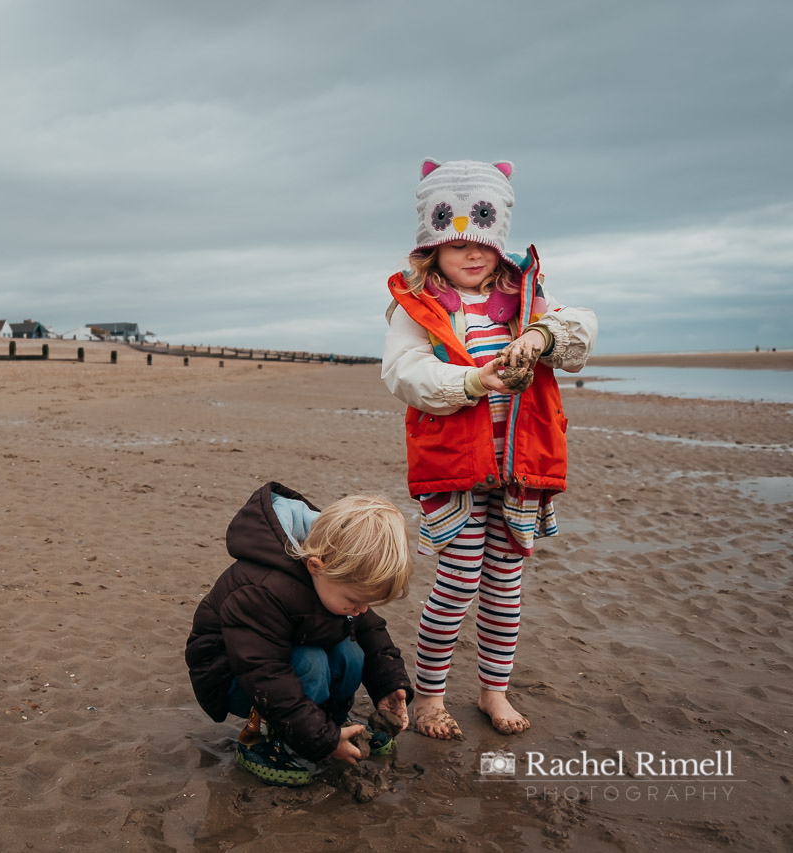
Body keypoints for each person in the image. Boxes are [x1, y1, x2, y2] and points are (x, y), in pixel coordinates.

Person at [381, 159, 597, 740]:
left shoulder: (527, 299)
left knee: (505, 584)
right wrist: (475, 383)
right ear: (432, 248)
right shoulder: (419, 305)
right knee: (457, 581)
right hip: (456, 469)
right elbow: (404, 374)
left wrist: (538, 335)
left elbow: (581, 331)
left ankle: (493, 691)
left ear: (500, 243)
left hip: (520, 468)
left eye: (483, 242)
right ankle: (429, 697)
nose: (472, 254)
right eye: (456, 245)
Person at [185, 482, 413, 787]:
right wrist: (323, 741)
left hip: (277, 666)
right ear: (316, 567)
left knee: (351, 652)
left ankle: (327, 719)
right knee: (312, 662)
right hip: (232, 675)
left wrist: (389, 685)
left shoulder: (337, 582)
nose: (362, 609)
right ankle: (260, 742)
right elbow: (265, 673)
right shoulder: (263, 590)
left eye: (367, 602)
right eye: (355, 600)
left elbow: (370, 631)